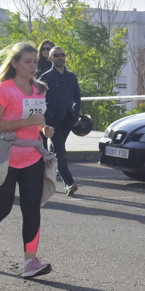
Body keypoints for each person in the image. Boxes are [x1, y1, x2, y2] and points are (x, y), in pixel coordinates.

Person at [0, 42, 57, 278]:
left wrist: (45, 129)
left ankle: (30, 263)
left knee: (32, 210)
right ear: (15, 64)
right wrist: (26, 123)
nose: (33, 66)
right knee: (4, 207)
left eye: (35, 62)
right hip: (6, 157)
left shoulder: (39, 89)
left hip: (32, 156)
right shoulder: (4, 89)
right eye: (27, 62)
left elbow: (38, 118)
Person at [40, 46, 82, 196]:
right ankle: (69, 183)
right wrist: (49, 115)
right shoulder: (45, 78)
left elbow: (77, 97)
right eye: (56, 55)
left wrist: (75, 113)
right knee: (60, 150)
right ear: (50, 58)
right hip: (52, 121)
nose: (60, 57)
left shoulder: (71, 76)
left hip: (67, 120)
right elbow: (40, 100)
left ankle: (45, 174)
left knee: (56, 150)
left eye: (62, 55)